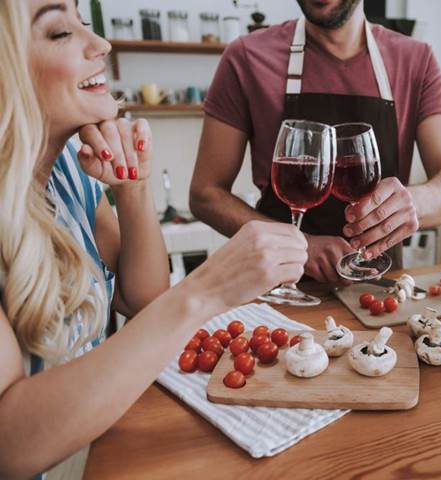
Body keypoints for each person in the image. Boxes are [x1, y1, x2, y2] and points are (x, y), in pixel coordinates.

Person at [0, 1, 307, 478]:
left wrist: (134, 188)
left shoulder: (65, 174)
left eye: (86, 22)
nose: (100, 44)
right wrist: (207, 289)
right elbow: (9, 444)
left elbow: (141, 297)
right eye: (61, 32)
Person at [190, 0, 441, 284]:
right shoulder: (246, 57)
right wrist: (302, 245)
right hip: (277, 289)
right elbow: (205, 194)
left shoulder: (416, 59)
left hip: (379, 291)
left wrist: (414, 202)